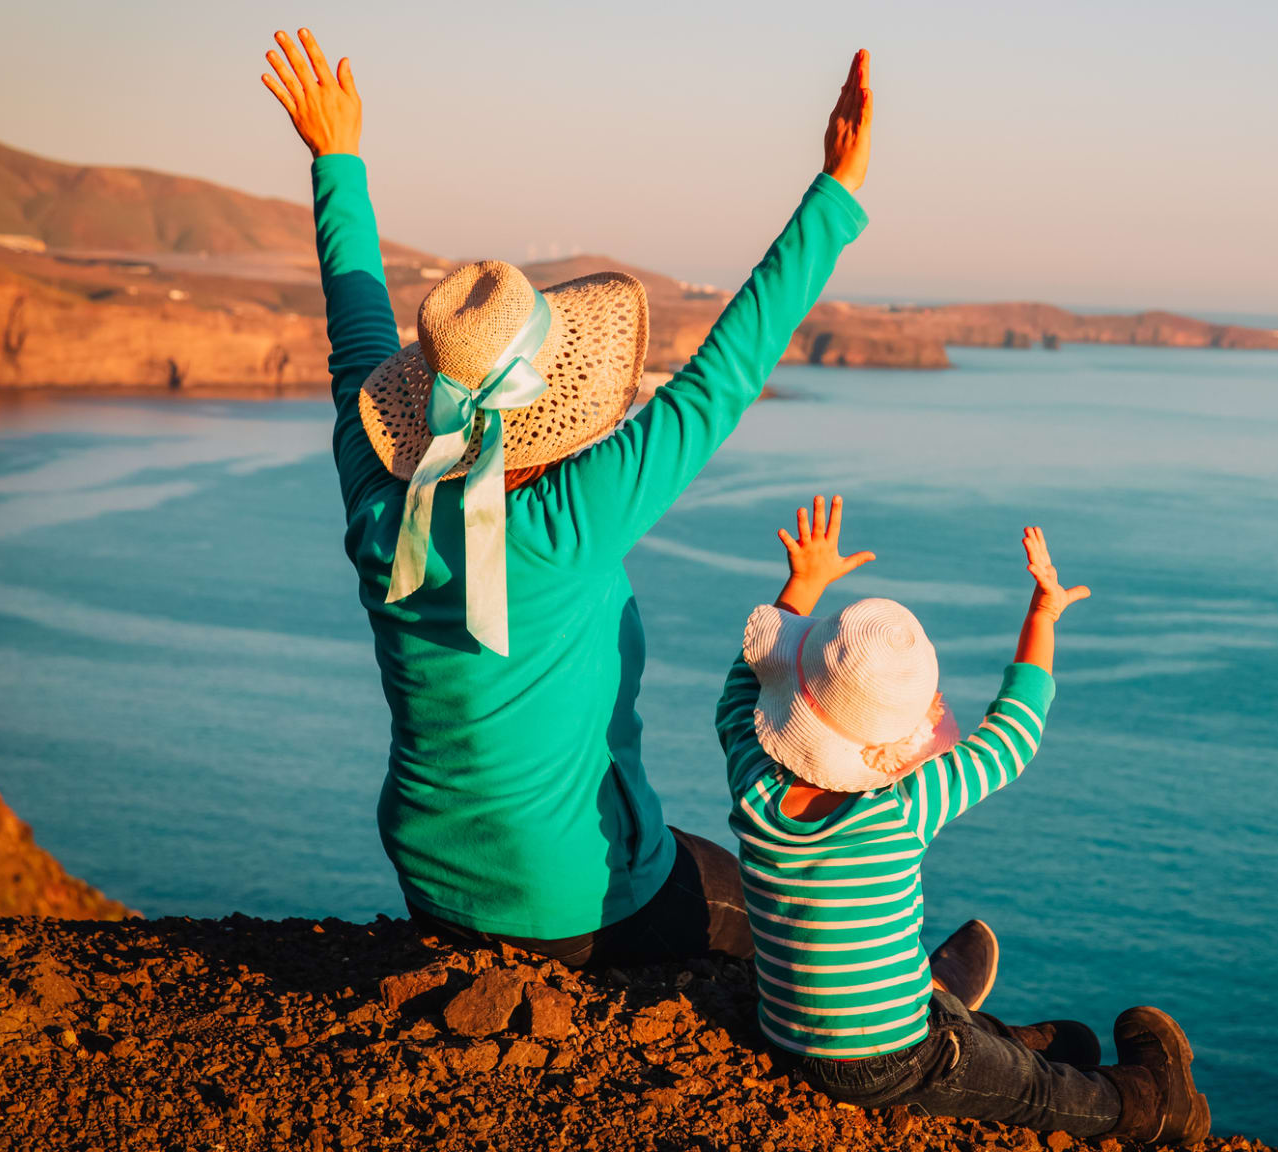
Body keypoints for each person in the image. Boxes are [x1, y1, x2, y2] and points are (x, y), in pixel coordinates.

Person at [255, 27, 887, 968]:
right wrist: (836, 191)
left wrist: (336, 157)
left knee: (713, 869)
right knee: (795, 899)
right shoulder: (566, 522)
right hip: (575, 905)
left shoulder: (375, 495)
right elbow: (721, 377)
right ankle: (922, 996)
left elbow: (355, 339)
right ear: (557, 400)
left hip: (434, 880)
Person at [714, 496, 1212, 1144]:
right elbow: (1013, 736)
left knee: (986, 1046)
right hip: (886, 1060)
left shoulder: (750, 776)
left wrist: (803, 583)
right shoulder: (897, 808)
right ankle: (1156, 1105)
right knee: (1036, 1093)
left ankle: (985, 1031)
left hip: (785, 1033)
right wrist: (1043, 616)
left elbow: (739, 686)